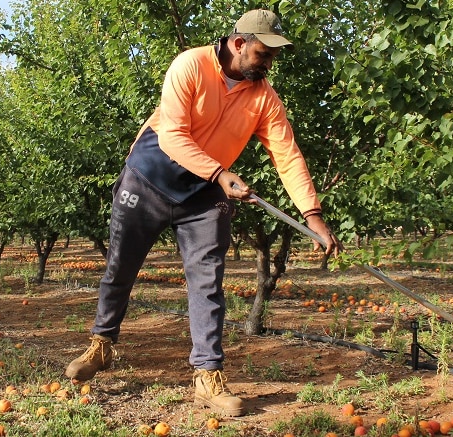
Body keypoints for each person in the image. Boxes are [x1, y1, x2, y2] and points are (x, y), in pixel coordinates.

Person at [65, 9, 343, 417]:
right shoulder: (190, 65)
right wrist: (220, 172)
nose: (268, 64)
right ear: (238, 44)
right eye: (264, 54)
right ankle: (102, 345)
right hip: (149, 178)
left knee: (207, 282)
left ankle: (207, 376)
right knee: (120, 267)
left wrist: (312, 214)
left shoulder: (264, 96)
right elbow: (173, 135)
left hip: (204, 194)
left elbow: (287, 155)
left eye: (273, 57)